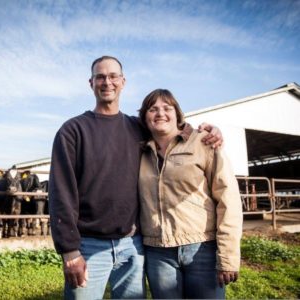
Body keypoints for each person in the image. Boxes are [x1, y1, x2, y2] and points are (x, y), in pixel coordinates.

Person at [48, 56, 223, 300]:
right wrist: (69, 250)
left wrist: (205, 130)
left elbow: (168, 127)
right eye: (100, 76)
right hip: (88, 245)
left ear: (123, 81)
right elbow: (61, 193)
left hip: (133, 245)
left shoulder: (136, 128)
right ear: (91, 83)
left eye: (113, 76)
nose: (107, 82)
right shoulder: (73, 130)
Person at [138, 89, 243, 299]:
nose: (160, 113)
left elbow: (228, 199)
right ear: (144, 117)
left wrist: (228, 256)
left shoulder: (203, 142)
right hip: (157, 251)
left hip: (202, 248)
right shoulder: (139, 150)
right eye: (153, 109)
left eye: (167, 108)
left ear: (178, 114)